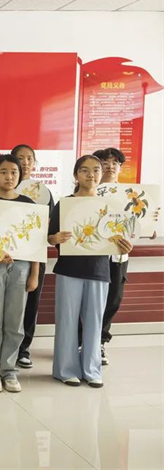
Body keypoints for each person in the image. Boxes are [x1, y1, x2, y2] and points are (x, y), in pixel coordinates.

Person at [48, 155, 133, 388]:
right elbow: (50, 237)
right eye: (84, 170)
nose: (91, 174)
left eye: (96, 170)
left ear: (101, 174)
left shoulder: (110, 207)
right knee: (67, 321)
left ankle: (92, 370)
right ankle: (65, 370)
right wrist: (55, 238)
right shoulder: (64, 204)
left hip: (99, 270)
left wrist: (124, 245)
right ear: (76, 175)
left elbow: (119, 237)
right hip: (69, 269)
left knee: (95, 322)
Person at [0, 155, 39, 393]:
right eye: (3, 172)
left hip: (21, 267)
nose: (9, 176)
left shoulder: (28, 204)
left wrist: (34, 273)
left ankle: (9, 370)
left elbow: (35, 242)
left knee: (15, 320)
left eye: (14, 172)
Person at [11, 144, 54, 369]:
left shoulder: (44, 193)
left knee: (31, 303)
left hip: (35, 256)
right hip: (9, 255)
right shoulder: (5, 188)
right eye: (21, 158)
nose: (25, 162)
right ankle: (6, 349)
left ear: (34, 163)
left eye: (29, 158)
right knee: (8, 305)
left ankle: (24, 349)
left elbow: (47, 228)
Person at [93, 147, 134, 366]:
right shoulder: (88, 192)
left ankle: (100, 341)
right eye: (105, 163)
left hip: (118, 255)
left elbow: (140, 224)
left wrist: (150, 226)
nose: (110, 167)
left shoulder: (130, 195)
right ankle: (82, 340)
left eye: (115, 163)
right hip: (92, 256)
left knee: (113, 299)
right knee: (90, 300)